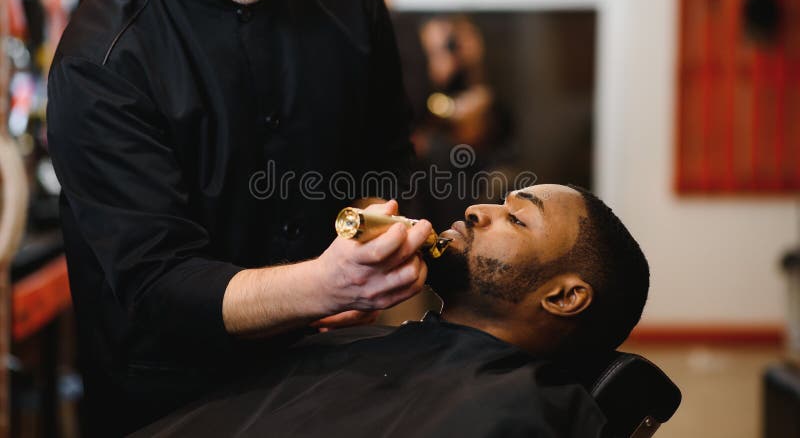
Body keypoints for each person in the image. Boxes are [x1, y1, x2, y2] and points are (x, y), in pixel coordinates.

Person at [46, 0, 429, 435]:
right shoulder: (101, 62)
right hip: (176, 400)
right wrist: (323, 286)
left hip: (337, 371)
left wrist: (371, 237)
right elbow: (161, 283)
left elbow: (384, 158)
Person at [134, 183, 650, 437]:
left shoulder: (518, 414)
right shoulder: (359, 335)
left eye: (515, 220)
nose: (475, 210)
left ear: (563, 297)